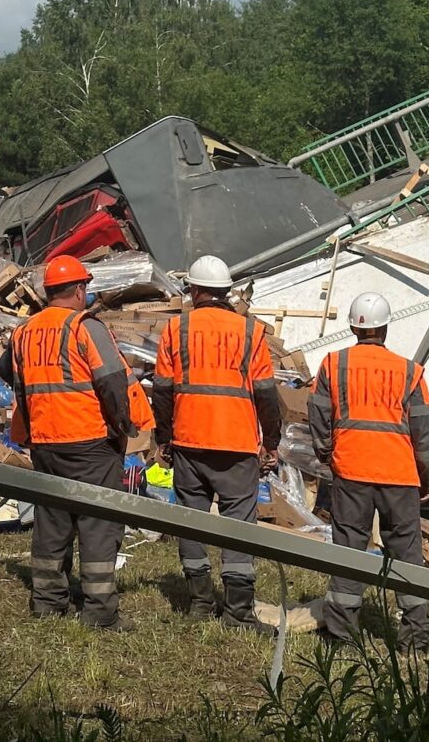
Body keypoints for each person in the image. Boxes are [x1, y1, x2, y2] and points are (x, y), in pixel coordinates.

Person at [0, 255, 150, 631]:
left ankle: (48, 602)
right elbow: (113, 382)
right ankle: (99, 612)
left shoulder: (24, 331)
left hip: (45, 442)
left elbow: (6, 370)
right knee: (98, 524)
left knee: (52, 520)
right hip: (89, 441)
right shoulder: (85, 327)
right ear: (80, 289)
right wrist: (123, 427)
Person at [152, 255, 281, 632]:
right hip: (237, 445)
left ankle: (200, 603)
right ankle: (238, 611)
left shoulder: (176, 329)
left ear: (194, 290)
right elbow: (267, 395)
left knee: (191, 524)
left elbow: (161, 391)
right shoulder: (250, 332)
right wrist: (270, 443)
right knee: (239, 527)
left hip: (189, 441)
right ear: (227, 292)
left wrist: (165, 438)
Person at [309, 292, 429, 647]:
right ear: (385, 327)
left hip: (351, 469)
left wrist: (326, 454)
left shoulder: (333, 364)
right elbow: (423, 434)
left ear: (353, 325)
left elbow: (318, 415)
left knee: (349, 548)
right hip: (399, 475)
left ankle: (342, 635)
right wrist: (425, 476)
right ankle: (415, 636)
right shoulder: (411, 371)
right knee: (407, 552)